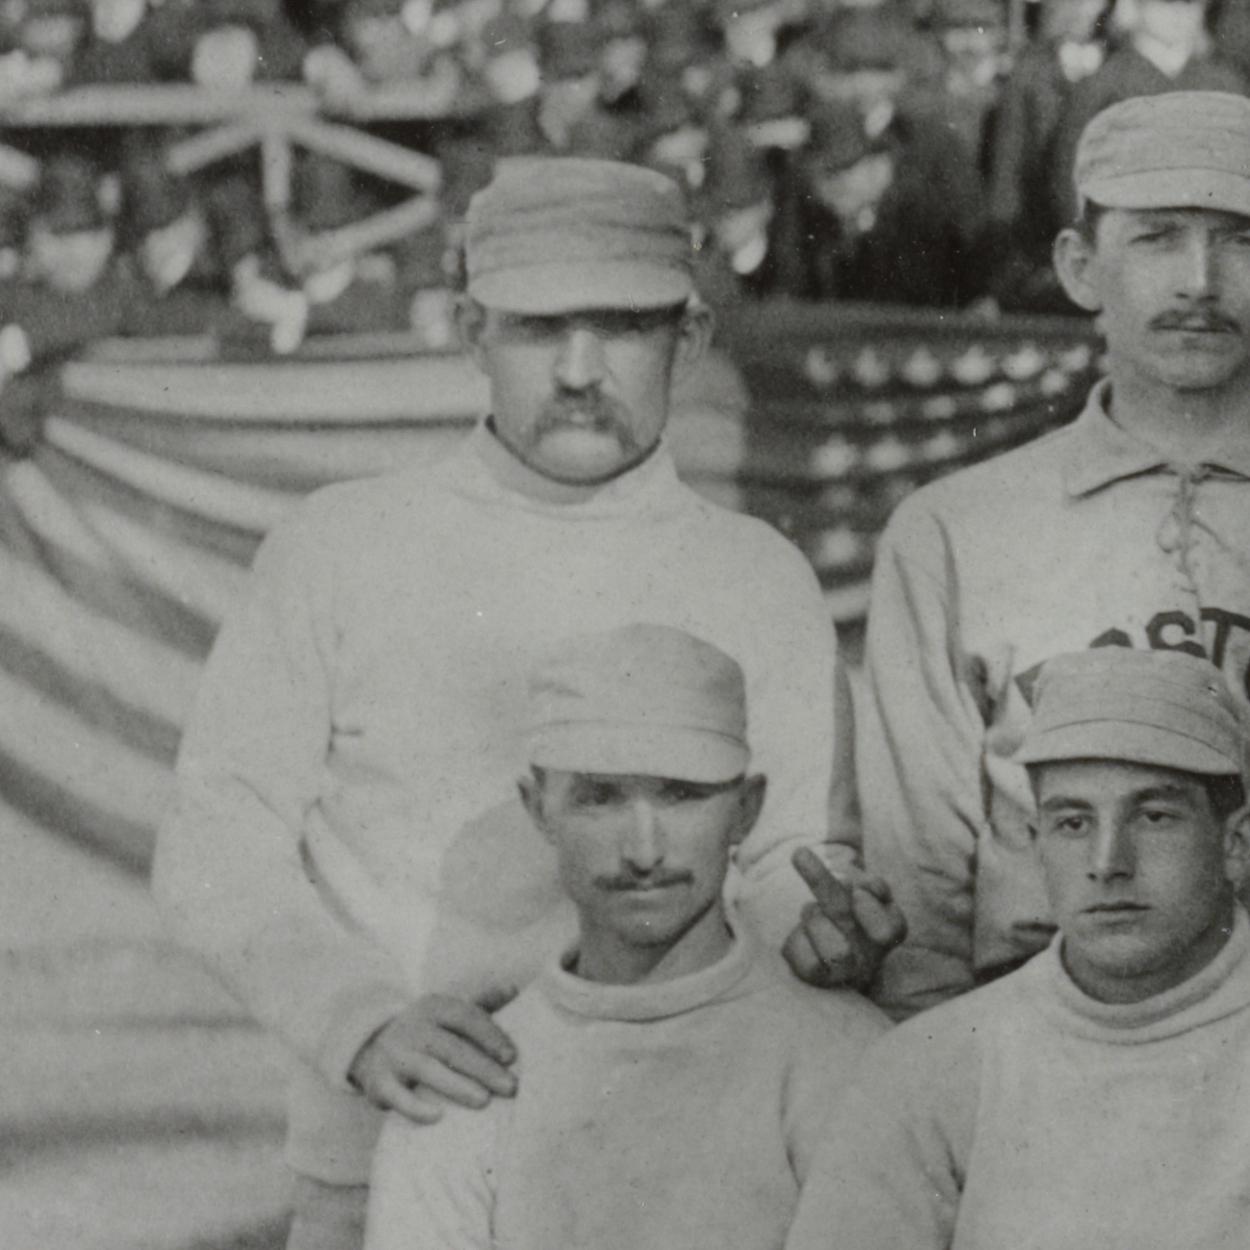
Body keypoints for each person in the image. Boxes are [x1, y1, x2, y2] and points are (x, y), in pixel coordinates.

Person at [152, 155, 900, 1250]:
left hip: (691, 1173)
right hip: (385, 1155)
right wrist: (356, 1021)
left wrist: (821, 930)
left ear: (690, 337)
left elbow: (787, 853)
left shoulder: (754, 574)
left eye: (625, 327)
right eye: (539, 329)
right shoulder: (341, 546)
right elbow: (216, 838)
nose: (580, 371)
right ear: (472, 331)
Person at [859, 89, 1250, 1017]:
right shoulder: (957, 527)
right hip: (1038, 1033)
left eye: (1242, 241)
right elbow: (919, 892)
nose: (1201, 281)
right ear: (1080, 267)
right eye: (1157, 239)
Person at [365, 623, 888, 1250]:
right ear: (538, 808)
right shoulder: (471, 1079)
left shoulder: (841, 1054)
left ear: (746, 810)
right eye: (600, 798)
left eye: (683, 795)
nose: (644, 851)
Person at [786, 647, 1250, 1250]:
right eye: (1073, 823)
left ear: (1236, 844)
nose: (1108, 863)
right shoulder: (930, 1068)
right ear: (1037, 845)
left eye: (1154, 817)